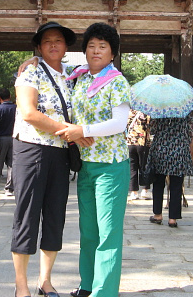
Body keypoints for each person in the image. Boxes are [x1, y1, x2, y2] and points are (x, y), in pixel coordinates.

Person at [55, 22, 131, 297]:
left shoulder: (117, 81)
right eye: (91, 46)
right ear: (84, 51)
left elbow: (119, 123)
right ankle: (87, 284)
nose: (96, 51)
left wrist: (82, 131)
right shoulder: (79, 78)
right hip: (85, 166)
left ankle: (104, 292)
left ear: (112, 53)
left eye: (103, 46)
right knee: (88, 232)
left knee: (108, 234)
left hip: (111, 167)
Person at [11, 21, 82, 297]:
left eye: (59, 41)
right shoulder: (30, 72)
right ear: (39, 47)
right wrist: (69, 131)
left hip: (61, 154)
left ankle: (45, 280)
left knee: (55, 217)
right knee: (27, 216)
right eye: (47, 41)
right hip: (32, 149)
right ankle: (21, 286)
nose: (54, 45)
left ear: (66, 47)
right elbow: (28, 113)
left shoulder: (74, 75)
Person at [146, 116, 193, 227]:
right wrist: (189, 145)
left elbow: (152, 130)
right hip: (179, 149)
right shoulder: (185, 110)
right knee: (176, 186)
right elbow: (190, 131)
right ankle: (173, 218)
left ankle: (158, 214)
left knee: (158, 184)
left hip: (161, 149)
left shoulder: (159, 109)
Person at [126, 109, 152, 201]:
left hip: (130, 142)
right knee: (144, 166)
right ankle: (145, 190)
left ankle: (134, 192)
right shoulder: (147, 113)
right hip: (143, 143)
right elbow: (150, 126)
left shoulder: (130, 112)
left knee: (132, 167)